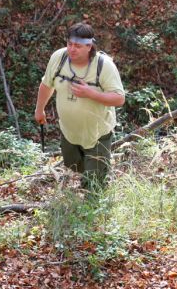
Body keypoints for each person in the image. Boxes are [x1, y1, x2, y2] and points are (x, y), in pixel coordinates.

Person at [34, 22, 125, 190]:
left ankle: (95, 190)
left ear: (89, 46)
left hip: (98, 133)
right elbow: (47, 85)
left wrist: (91, 93)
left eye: (78, 46)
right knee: (72, 164)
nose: (72, 49)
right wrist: (39, 109)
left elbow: (119, 99)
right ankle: (94, 173)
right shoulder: (58, 58)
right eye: (69, 44)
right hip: (70, 132)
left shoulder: (103, 66)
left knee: (93, 183)